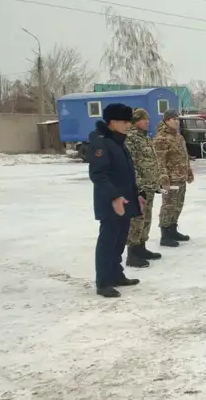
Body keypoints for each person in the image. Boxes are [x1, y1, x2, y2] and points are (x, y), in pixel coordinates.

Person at [89, 103, 142, 298]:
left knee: (120, 240)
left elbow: (126, 173)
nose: (128, 124)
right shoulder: (101, 142)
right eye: (124, 121)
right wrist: (114, 197)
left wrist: (136, 196)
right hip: (111, 202)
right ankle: (103, 282)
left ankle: (116, 274)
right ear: (112, 122)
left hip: (124, 200)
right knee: (108, 241)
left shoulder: (118, 141)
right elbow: (98, 174)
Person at [124, 108, 163, 267]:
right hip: (139, 188)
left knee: (146, 218)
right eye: (143, 119)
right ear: (135, 121)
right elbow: (131, 165)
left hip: (150, 186)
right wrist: (138, 185)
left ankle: (141, 247)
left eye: (147, 119)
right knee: (137, 220)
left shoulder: (145, 138)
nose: (147, 121)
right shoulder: (131, 139)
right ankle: (132, 252)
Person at [154, 110, 194, 247]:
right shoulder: (161, 138)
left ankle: (172, 230)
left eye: (177, 119)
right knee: (168, 205)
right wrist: (163, 178)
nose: (176, 121)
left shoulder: (179, 137)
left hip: (180, 177)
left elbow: (184, 156)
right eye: (172, 119)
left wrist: (188, 171)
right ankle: (165, 235)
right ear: (165, 120)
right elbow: (160, 160)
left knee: (177, 205)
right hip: (170, 180)